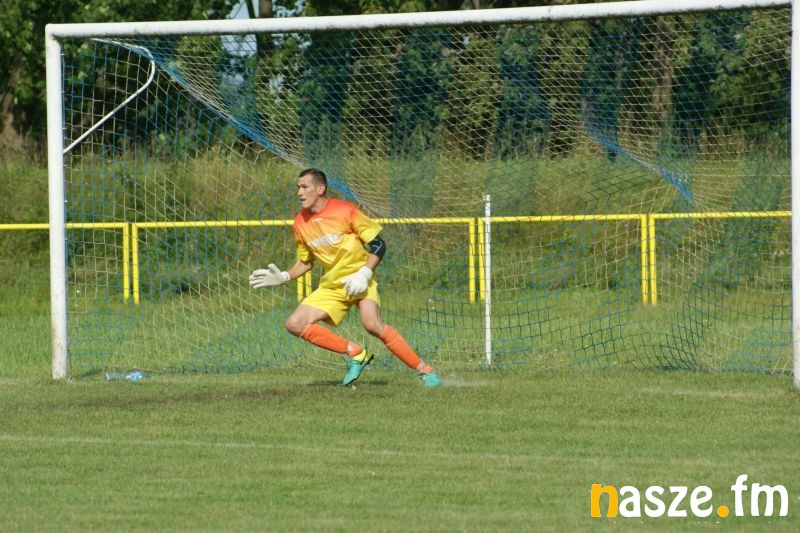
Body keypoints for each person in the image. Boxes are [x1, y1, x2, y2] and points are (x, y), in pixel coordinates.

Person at [249, 168, 441, 387]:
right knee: (294, 323)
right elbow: (305, 262)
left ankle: (425, 370)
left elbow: (379, 244)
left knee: (372, 324)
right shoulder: (300, 222)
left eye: (304, 187)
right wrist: (284, 276)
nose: (299, 193)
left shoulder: (346, 211)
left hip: (361, 278)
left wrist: (364, 273)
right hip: (333, 285)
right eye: (298, 188)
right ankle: (355, 353)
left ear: (320, 189)